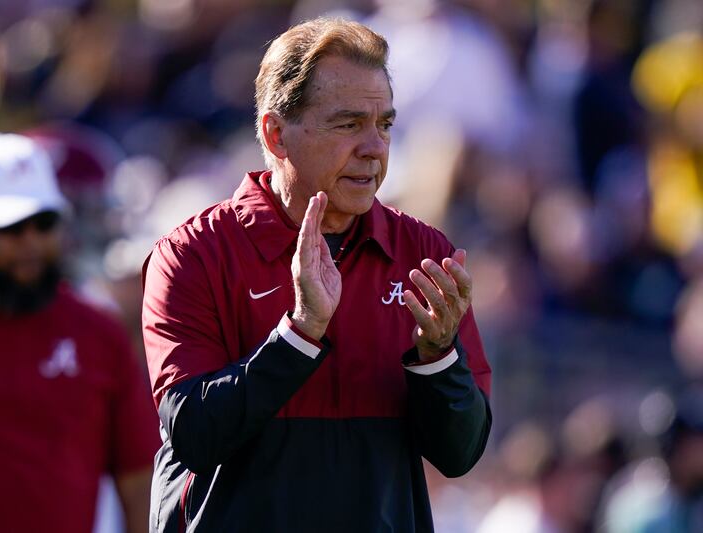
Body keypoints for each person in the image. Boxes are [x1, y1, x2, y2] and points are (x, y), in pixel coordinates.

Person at [142, 18, 492, 532]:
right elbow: (194, 434)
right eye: (348, 124)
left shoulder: (422, 254)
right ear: (275, 133)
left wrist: (437, 358)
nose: (375, 147)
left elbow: (460, 454)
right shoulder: (193, 255)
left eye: (386, 125)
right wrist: (300, 334)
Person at [0, 133, 160, 533]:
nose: (31, 243)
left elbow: (137, 478)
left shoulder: (97, 333)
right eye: (10, 227)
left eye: (44, 223)